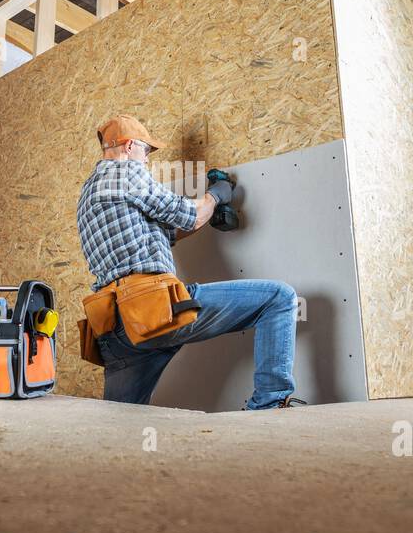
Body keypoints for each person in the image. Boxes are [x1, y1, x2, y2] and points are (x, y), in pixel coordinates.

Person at [75, 114, 302, 409]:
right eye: (146, 152)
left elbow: (168, 230)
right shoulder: (125, 172)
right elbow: (190, 215)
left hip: (116, 329)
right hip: (153, 310)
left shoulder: (89, 192)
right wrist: (215, 197)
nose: (146, 162)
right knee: (279, 298)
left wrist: (207, 214)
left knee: (120, 422)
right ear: (129, 146)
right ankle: (269, 406)